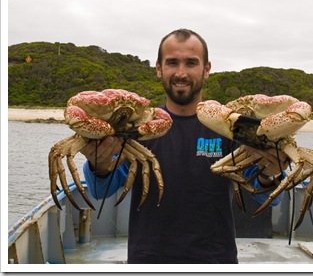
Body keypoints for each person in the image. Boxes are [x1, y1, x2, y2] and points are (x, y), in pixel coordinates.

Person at [81, 28, 287, 264]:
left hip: (215, 260)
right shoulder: (137, 126)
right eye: (172, 63)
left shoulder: (230, 126)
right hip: (147, 260)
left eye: (191, 63)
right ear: (159, 68)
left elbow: (268, 194)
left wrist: (269, 174)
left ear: (206, 69)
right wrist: (99, 164)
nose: (181, 72)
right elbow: (101, 191)